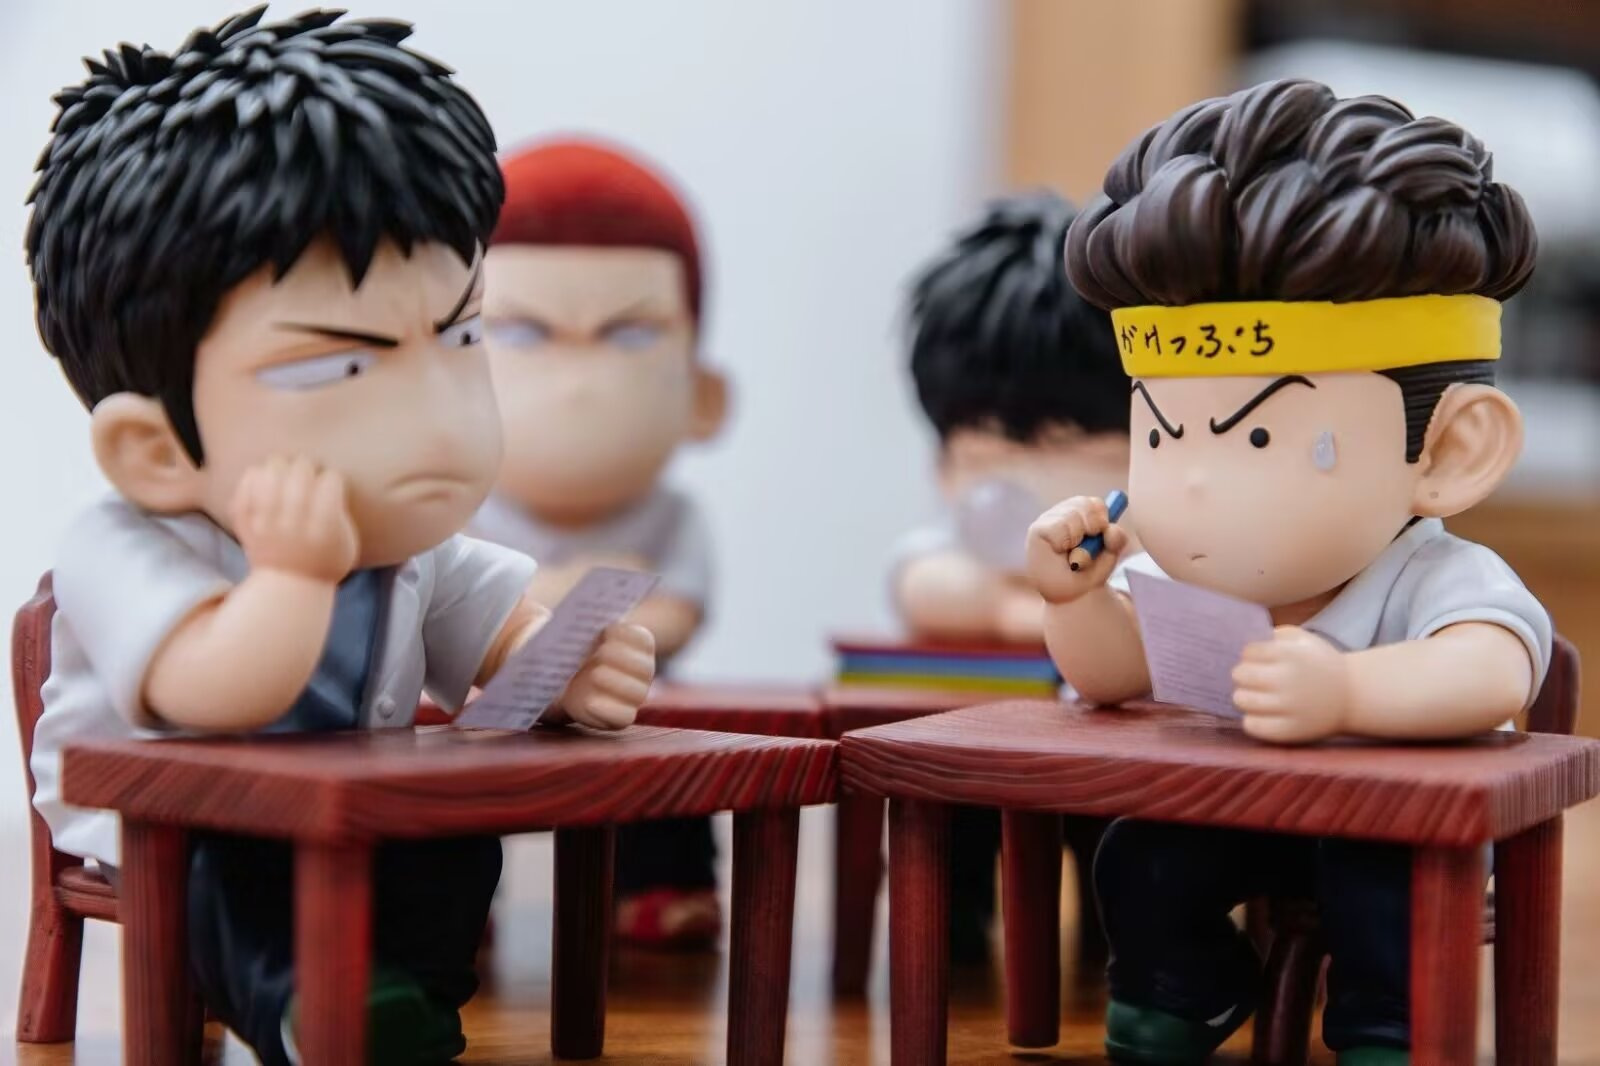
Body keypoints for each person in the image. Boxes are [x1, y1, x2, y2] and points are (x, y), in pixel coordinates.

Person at [24, 12, 656, 1064]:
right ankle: (301, 1012)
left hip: (347, 802)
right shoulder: (120, 543)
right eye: (340, 366)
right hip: (176, 814)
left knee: (452, 847)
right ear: (155, 449)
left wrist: (561, 662)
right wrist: (291, 580)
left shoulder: (406, 546)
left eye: (460, 336)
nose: (442, 419)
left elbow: (493, 635)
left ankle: (406, 997)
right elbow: (211, 695)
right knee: (232, 875)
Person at [1028, 78, 1550, 1066]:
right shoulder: (1185, 572)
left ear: (1449, 452)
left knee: (1382, 890)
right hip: (1240, 808)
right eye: (1161, 435)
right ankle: (1182, 987)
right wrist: (1076, 598)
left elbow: (1492, 672)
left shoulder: (1435, 575)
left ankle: (1389, 1029)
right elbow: (1114, 676)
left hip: (1390, 826)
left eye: (1259, 436)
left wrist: (1347, 691)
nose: (1190, 486)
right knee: (1140, 857)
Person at [476, 138, 729, 949]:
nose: (576, 382)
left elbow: (680, 614)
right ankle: (450, 902)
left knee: (664, 758)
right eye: (521, 334)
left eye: (627, 337)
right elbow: (445, 615)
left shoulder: (673, 516)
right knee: (439, 765)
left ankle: (662, 881)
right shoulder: (459, 515)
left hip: (629, 697)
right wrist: (565, 601)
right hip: (486, 708)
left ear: (706, 398)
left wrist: (592, 626)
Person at [895, 192, 1129, 963]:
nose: (1036, 489)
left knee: (1128, 856)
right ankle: (948, 935)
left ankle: (1125, 949)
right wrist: (1019, 606)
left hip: (1120, 753)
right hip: (974, 745)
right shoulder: (959, 550)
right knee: (947, 831)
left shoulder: (1144, 551)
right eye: (993, 457)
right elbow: (920, 583)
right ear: (942, 463)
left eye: (1079, 450)